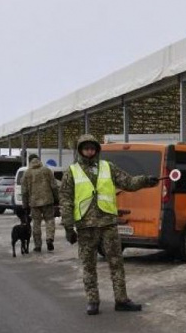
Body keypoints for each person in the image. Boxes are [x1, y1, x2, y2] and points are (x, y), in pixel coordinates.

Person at [60, 134, 158, 316]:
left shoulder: (108, 167)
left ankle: (121, 300)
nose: (89, 151)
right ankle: (92, 301)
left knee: (116, 262)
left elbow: (128, 182)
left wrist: (145, 180)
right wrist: (68, 226)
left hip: (108, 224)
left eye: (92, 148)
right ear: (80, 150)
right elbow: (65, 200)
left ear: (97, 150)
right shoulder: (71, 172)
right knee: (89, 265)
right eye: (85, 148)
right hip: (85, 226)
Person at [22, 154, 59, 252]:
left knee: (36, 224)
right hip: (48, 200)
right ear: (39, 160)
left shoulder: (27, 173)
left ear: (29, 161)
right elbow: (54, 186)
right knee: (50, 220)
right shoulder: (47, 171)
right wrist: (57, 198)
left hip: (34, 202)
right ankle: (49, 238)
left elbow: (24, 191)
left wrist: (25, 205)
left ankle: (37, 245)